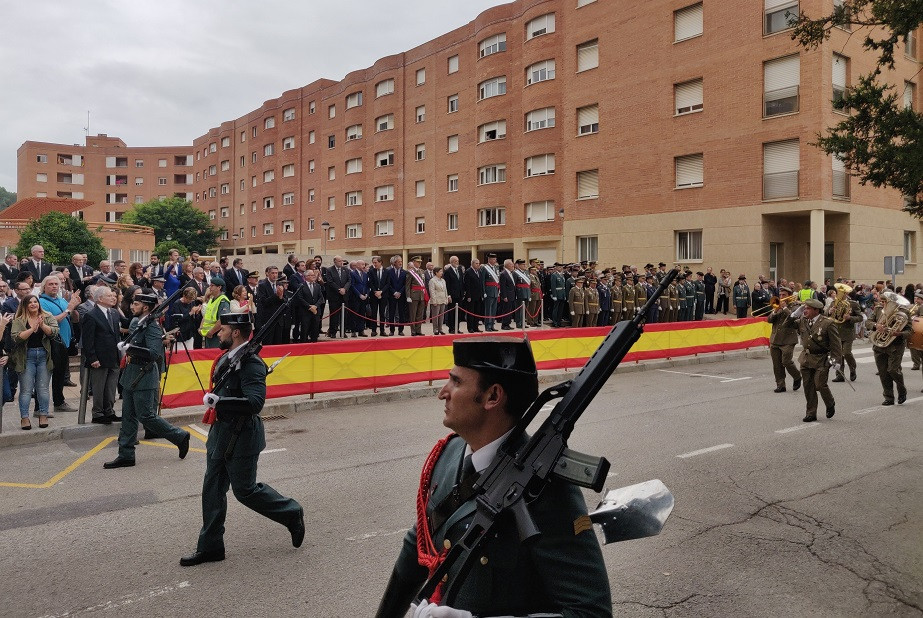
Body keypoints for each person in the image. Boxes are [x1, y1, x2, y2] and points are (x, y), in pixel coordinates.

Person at [376, 336, 611, 616]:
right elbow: (419, 544)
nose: (443, 392)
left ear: (493, 397)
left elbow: (591, 612)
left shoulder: (547, 488)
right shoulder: (448, 453)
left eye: (457, 382)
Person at [180, 313, 304, 566]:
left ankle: (291, 512)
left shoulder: (251, 363)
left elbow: (255, 403)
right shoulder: (230, 357)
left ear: (236, 332)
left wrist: (220, 401)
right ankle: (211, 546)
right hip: (220, 433)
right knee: (212, 489)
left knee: (245, 491)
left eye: (223, 329)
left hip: (242, 435)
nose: (219, 333)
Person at [104, 293, 191, 469]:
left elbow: (154, 353)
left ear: (145, 308)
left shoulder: (151, 326)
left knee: (146, 416)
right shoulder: (138, 322)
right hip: (131, 374)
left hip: (145, 375)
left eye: (136, 304)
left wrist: (131, 349)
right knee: (128, 416)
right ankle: (126, 454)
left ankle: (179, 436)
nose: (132, 306)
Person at [786, 298, 842, 422]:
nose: (805, 310)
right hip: (806, 358)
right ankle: (811, 412)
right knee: (808, 386)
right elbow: (787, 325)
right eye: (804, 308)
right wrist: (795, 313)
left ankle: (830, 402)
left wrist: (837, 360)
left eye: (807, 308)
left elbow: (836, 344)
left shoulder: (827, 323)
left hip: (821, 358)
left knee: (820, 384)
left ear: (816, 310)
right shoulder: (802, 320)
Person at [10, 295, 58, 429]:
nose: (33, 304)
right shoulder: (19, 320)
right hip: (26, 357)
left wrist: (42, 325)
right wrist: (32, 329)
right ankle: (24, 418)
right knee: (25, 390)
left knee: (43, 389)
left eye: (35, 301)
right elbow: (16, 338)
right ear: (25, 305)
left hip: (44, 355)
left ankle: (43, 415)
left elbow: (54, 332)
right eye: (30, 302)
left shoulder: (47, 316)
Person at [38, 276, 80, 413]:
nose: (54, 286)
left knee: (60, 374)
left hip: (64, 342)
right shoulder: (41, 302)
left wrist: (74, 309)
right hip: (51, 342)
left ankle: (59, 402)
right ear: (44, 287)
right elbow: (50, 320)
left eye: (57, 284)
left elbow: (72, 318)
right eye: (50, 284)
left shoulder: (62, 300)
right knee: (46, 376)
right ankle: (40, 407)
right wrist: (68, 309)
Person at [81, 286, 122, 424]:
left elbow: (116, 335)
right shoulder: (91, 315)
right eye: (110, 295)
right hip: (99, 358)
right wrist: (92, 358)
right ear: (99, 298)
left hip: (114, 356)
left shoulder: (114, 313)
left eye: (113, 295)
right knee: (99, 387)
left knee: (111, 387)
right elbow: (88, 340)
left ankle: (109, 411)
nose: (113, 297)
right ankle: (98, 413)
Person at [866, 294, 911, 406]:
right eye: (882, 301)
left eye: (885, 301)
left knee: (893, 370)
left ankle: (902, 390)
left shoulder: (904, 312)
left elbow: (910, 331)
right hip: (879, 345)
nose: (883, 303)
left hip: (895, 345)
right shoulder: (877, 309)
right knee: (883, 373)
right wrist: (876, 326)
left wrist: (899, 333)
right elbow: (868, 322)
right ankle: (889, 397)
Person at [766, 290, 801, 393]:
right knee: (777, 364)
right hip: (775, 338)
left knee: (786, 361)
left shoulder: (794, 307)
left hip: (788, 339)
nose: (781, 297)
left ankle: (797, 376)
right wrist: (775, 311)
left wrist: (785, 308)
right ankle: (780, 385)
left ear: (789, 296)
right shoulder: (777, 307)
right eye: (780, 295)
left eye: (783, 295)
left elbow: (794, 319)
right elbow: (769, 320)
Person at [294, 268, 325, 342]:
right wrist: (309, 306)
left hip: (316, 312)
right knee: (304, 330)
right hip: (305, 312)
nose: (313, 276)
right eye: (311, 275)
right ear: (306, 277)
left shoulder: (317, 286)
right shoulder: (301, 286)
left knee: (315, 330)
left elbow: (321, 298)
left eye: (314, 275)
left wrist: (315, 306)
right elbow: (300, 298)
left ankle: (314, 345)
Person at [199, 277, 230, 349]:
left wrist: (211, 332)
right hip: (208, 334)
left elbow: (222, 319)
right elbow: (206, 316)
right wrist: (201, 328)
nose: (210, 288)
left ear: (219, 287)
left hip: (216, 335)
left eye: (212, 285)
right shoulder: (211, 299)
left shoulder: (223, 300)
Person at [367, 256, 390, 337]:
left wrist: (381, 291)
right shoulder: (371, 271)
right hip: (374, 295)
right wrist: (375, 291)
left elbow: (388, 283)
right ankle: (373, 330)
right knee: (374, 313)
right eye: (373, 263)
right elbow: (370, 283)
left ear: (380, 262)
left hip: (383, 295)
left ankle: (382, 330)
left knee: (382, 313)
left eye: (376, 262)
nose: (374, 264)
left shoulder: (386, 271)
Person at [462, 258, 483, 334]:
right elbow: (467, 285)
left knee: (477, 312)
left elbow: (480, 284)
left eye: (479, 263)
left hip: (478, 295)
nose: (478, 265)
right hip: (471, 296)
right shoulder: (468, 272)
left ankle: (475, 327)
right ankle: (470, 327)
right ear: (472, 264)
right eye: (477, 263)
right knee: (471, 312)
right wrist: (468, 296)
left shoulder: (479, 272)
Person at [443, 256, 463, 334]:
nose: (457, 262)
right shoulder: (448, 271)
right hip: (452, 295)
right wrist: (448, 295)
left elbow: (461, 282)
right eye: (455, 261)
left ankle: (457, 328)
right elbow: (447, 285)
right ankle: (451, 328)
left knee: (459, 313)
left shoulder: (459, 270)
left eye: (457, 261)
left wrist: (463, 292)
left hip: (459, 294)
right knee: (452, 313)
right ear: (451, 262)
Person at [428, 266, 449, 335]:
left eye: (442, 271)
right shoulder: (432, 280)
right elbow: (432, 291)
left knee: (441, 316)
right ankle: (435, 329)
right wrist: (434, 301)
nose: (441, 273)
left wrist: (446, 298)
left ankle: (440, 328)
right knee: (435, 316)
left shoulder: (443, 280)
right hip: (436, 300)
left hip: (442, 299)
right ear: (436, 272)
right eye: (440, 271)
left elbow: (445, 290)